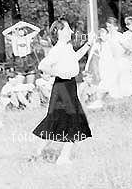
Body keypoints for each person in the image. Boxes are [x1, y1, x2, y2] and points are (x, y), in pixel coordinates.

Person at [32, 19, 92, 165]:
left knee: (57, 121)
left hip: (68, 86)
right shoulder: (57, 49)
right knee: (73, 121)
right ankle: (63, 158)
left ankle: (37, 154)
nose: (71, 31)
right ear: (59, 32)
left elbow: (75, 59)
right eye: (67, 29)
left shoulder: (67, 47)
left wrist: (89, 44)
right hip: (62, 87)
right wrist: (59, 72)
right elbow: (43, 65)